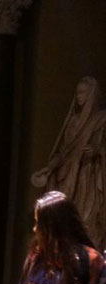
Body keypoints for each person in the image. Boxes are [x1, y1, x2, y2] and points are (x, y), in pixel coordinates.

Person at [32, 77, 106, 252]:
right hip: (67, 177)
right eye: (77, 93)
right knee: (63, 223)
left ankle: (88, 257)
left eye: (83, 93)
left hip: (88, 177)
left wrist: (97, 150)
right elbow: (63, 152)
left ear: (92, 95)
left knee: (85, 220)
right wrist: (49, 168)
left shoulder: (101, 120)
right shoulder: (72, 122)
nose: (79, 97)